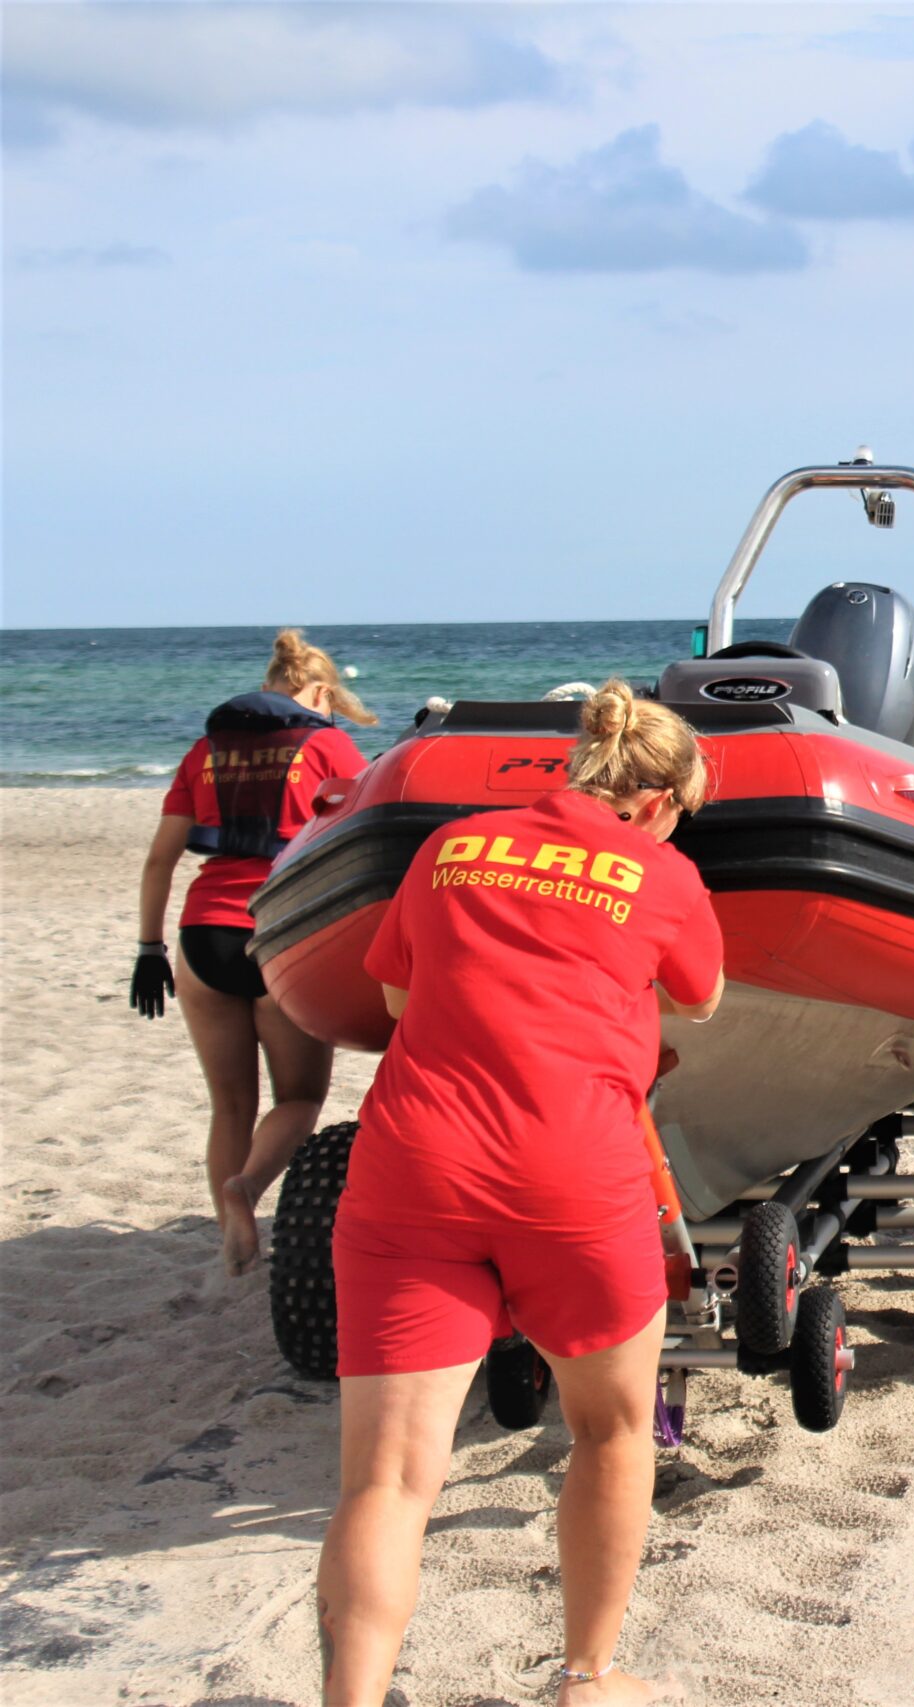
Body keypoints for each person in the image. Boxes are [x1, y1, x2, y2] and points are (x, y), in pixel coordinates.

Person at [313, 680, 723, 1707]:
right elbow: (702, 997)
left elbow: (398, 994)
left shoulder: (450, 847)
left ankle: (350, 1698)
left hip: (416, 1165)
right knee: (611, 1432)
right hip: (573, 1173)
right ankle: (588, 1676)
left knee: (387, 1479)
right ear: (659, 800)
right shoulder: (663, 872)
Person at [134, 628, 376, 1274]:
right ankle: (247, 1188)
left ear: (267, 686)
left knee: (230, 1105)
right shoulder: (327, 743)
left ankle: (231, 1245)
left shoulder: (205, 751)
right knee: (298, 1098)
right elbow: (363, 837)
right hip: (284, 932)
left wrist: (149, 947)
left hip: (202, 935)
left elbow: (160, 859)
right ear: (319, 693)